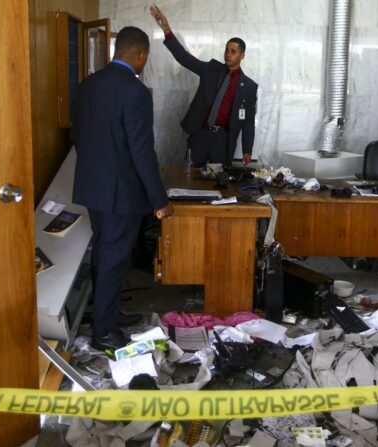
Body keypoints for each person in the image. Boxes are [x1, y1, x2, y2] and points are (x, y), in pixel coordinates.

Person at [72, 26, 174, 352]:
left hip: (92, 188)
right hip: (120, 195)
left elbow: (80, 135)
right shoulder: (135, 92)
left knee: (105, 254)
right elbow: (142, 152)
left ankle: (108, 315)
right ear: (141, 54)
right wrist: (159, 200)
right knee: (114, 258)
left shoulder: (88, 85)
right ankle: (103, 331)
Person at [150, 5, 258, 167]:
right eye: (227, 50)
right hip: (200, 134)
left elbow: (248, 122)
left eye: (233, 51)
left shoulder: (249, 86)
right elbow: (185, 58)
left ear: (242, 55)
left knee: (219, 185)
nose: (228, 54)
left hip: (223, 140)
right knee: (190, 179)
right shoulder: (211, 69)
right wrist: (166, 29)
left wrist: (247, 150)